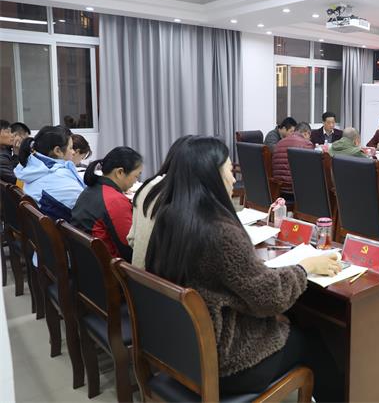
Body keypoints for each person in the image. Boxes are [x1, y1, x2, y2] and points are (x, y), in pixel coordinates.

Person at [144, 136, 343, 401]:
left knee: (295, 322)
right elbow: (270, 298)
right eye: (228, 169)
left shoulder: (169, 217)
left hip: (182, 350)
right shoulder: (220, 232)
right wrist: (305, 268)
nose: (232, 177)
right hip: (229, 362)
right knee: (313, 340)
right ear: (213, 176)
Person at [128, 135, 193, 269]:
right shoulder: (183, 195)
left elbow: (131, 239)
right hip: (160, 279)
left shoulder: (147, 186)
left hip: (138, 276)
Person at [72, 147, 143, 261]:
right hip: (106, 266)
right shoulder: (115, 200)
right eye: (136, 176)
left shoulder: (90, 189)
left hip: (84, 261)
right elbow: (130, 247)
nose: (136, 181)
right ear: (120, 172)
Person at [14, 125, 85, 221]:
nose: (73, 152)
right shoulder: (58, 176)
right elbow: (87, 208)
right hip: (69, 227)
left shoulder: (32, 166)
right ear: (57, 151)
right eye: (71, 148)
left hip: (47, 225)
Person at [272, 122, 314, 196]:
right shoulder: (307, 144)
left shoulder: (279, 143)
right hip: (297, 189)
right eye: (309, 137)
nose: (309, 139)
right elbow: (312, 168)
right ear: (306, 133)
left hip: (278, 188)